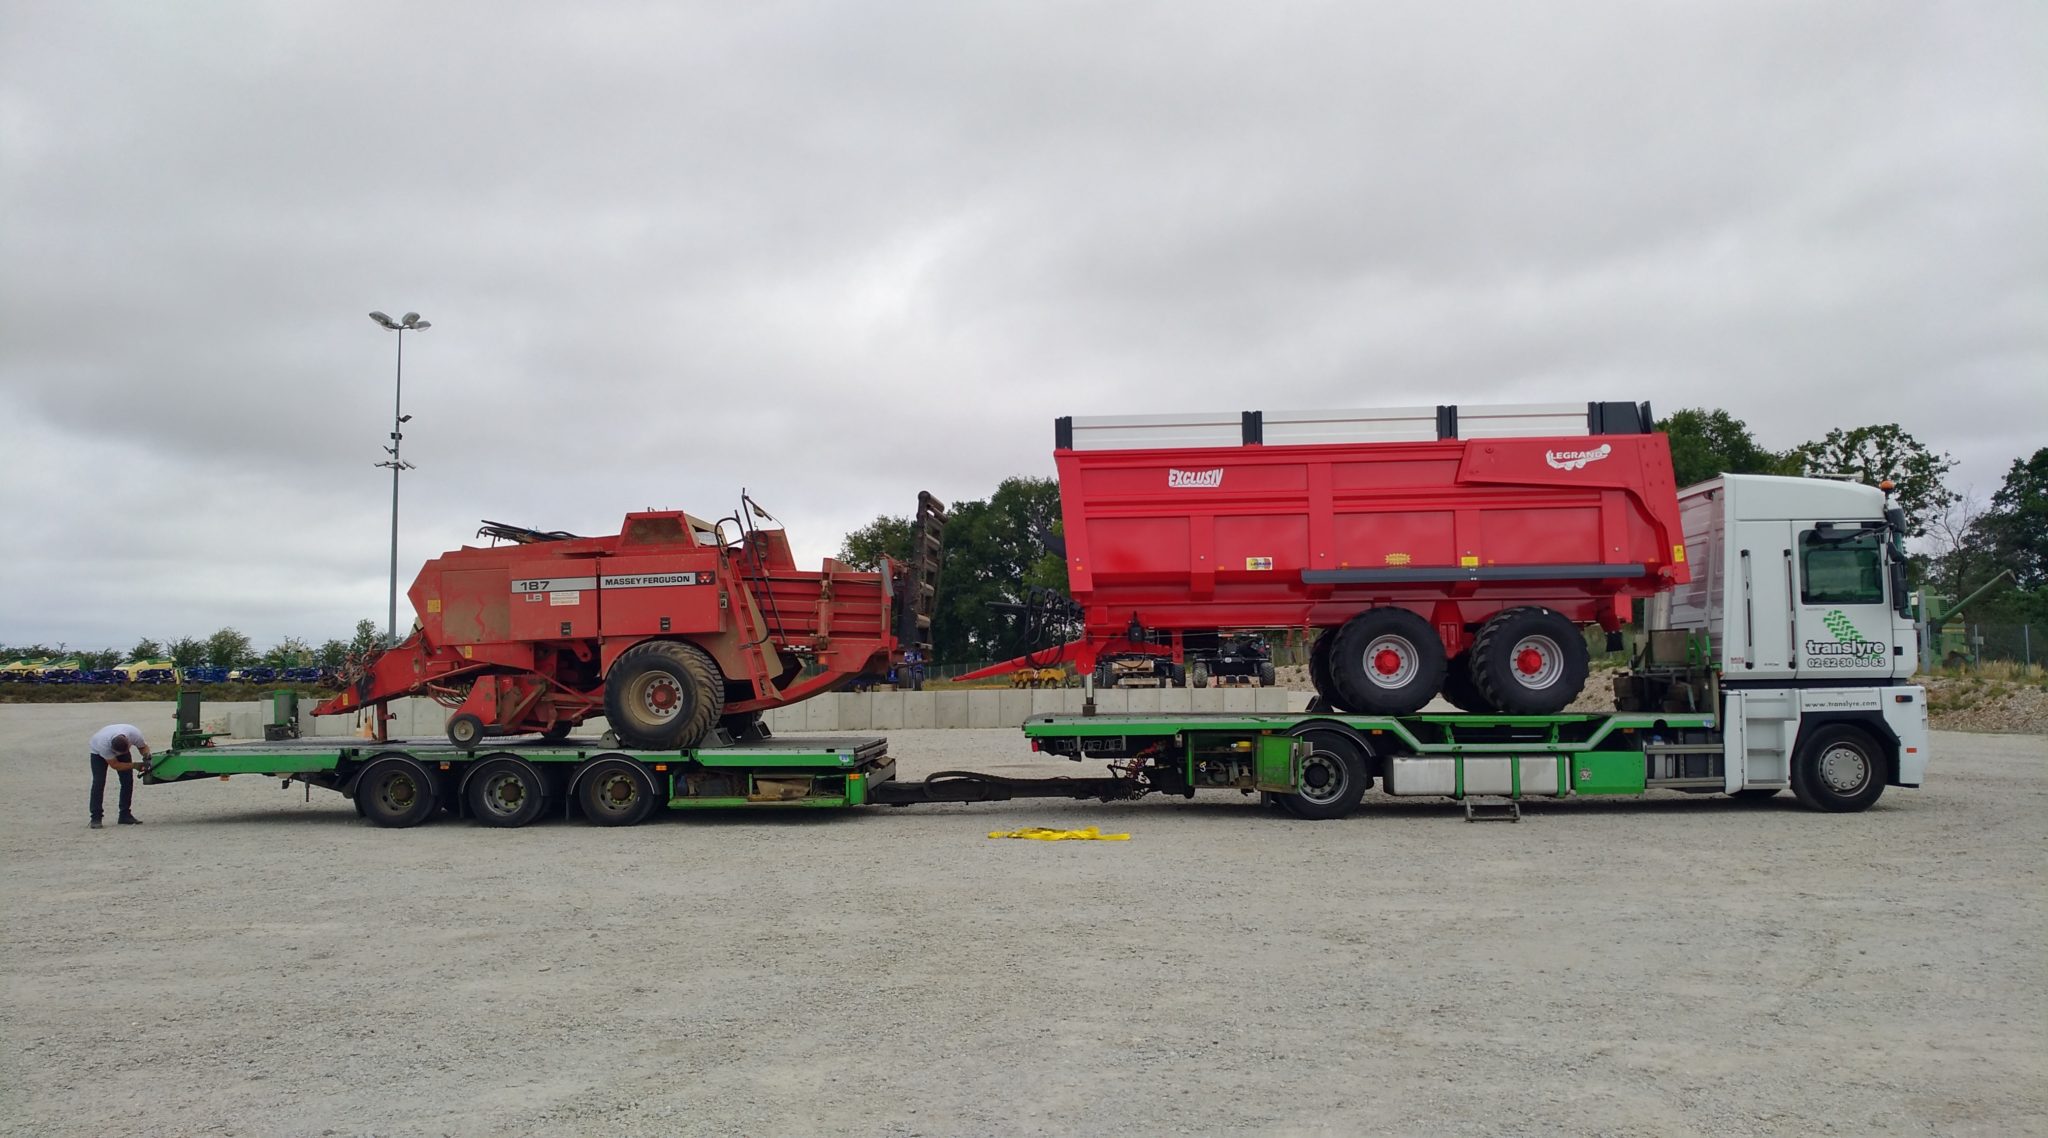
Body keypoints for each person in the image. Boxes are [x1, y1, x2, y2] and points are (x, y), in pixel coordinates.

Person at [88, 723, 151, 829]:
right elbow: (115, 765)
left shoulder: (134, 734)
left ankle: (125, 815)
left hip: (119, 746)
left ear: (128, 742)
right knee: (99, 782)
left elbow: (143, 747)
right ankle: (96, 817)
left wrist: (147, 757)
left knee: (127, 781)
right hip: (97, 753)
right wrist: (135, 765)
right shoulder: (103, 745)